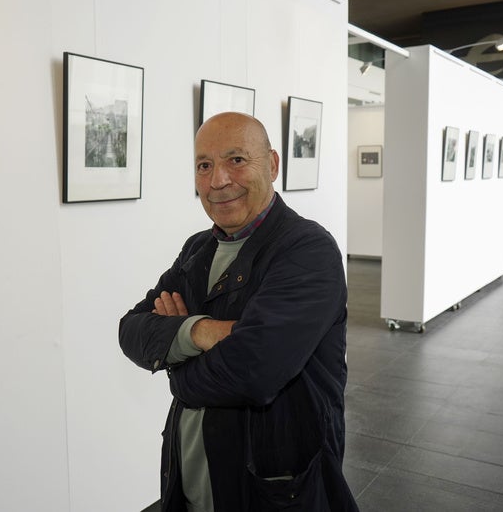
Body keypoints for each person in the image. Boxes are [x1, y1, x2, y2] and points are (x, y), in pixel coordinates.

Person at [119, 112, 357, 511]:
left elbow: (253, 372)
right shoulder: (198, 250)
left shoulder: (308, 251)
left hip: (273, 492)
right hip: (192, 486)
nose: (218, 181)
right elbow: (131, 331)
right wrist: (204, 332)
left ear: (273, 165)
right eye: (204, 165)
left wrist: (177, 367)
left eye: (236, 160)